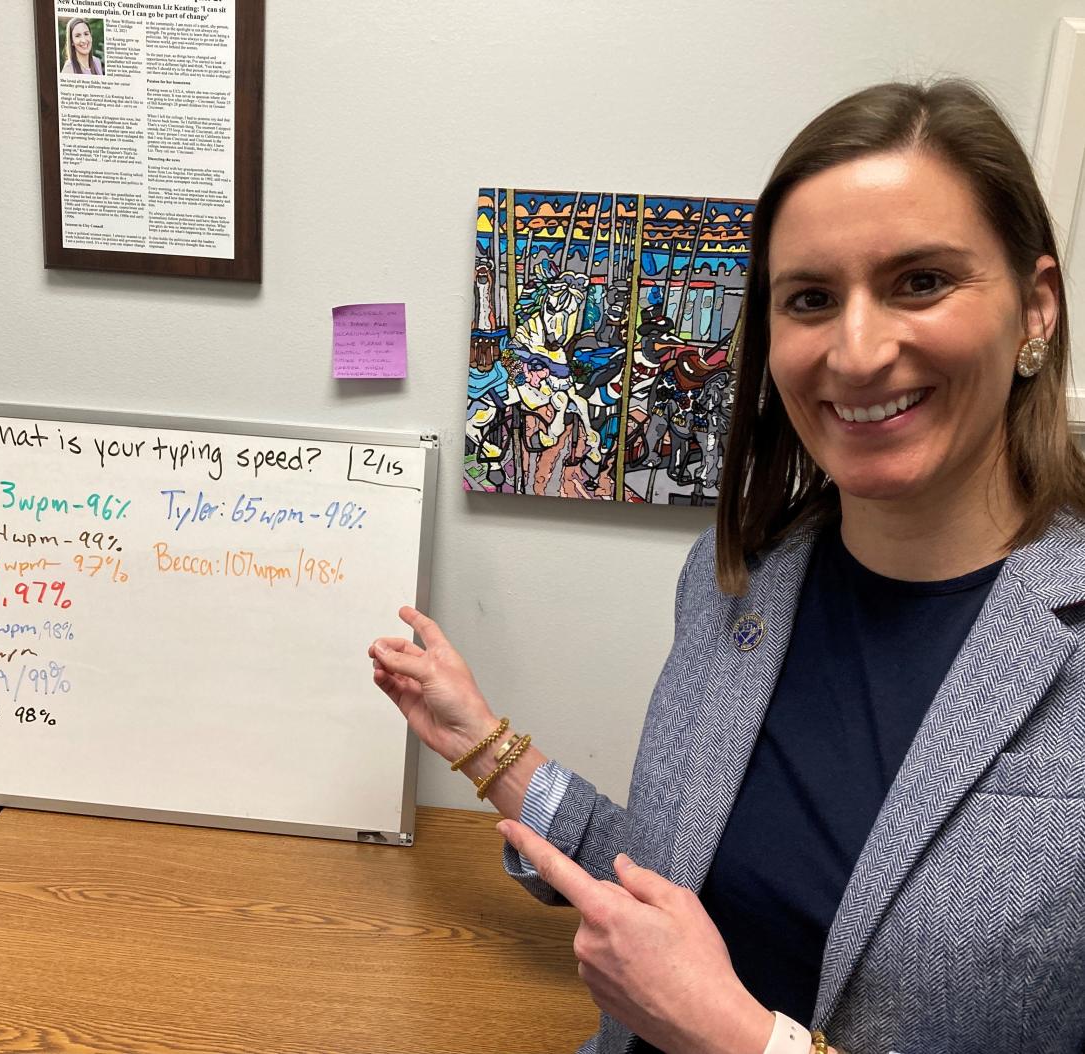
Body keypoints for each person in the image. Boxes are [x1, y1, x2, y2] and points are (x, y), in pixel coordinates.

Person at [370, 79, 1085, 1054]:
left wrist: (745, 1040)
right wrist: (484, 742)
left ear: (1036, 308)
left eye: (921, 280)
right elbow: (683, 879)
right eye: (811, 299)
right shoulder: (738, 579)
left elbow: (704, 997)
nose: (860, 349)